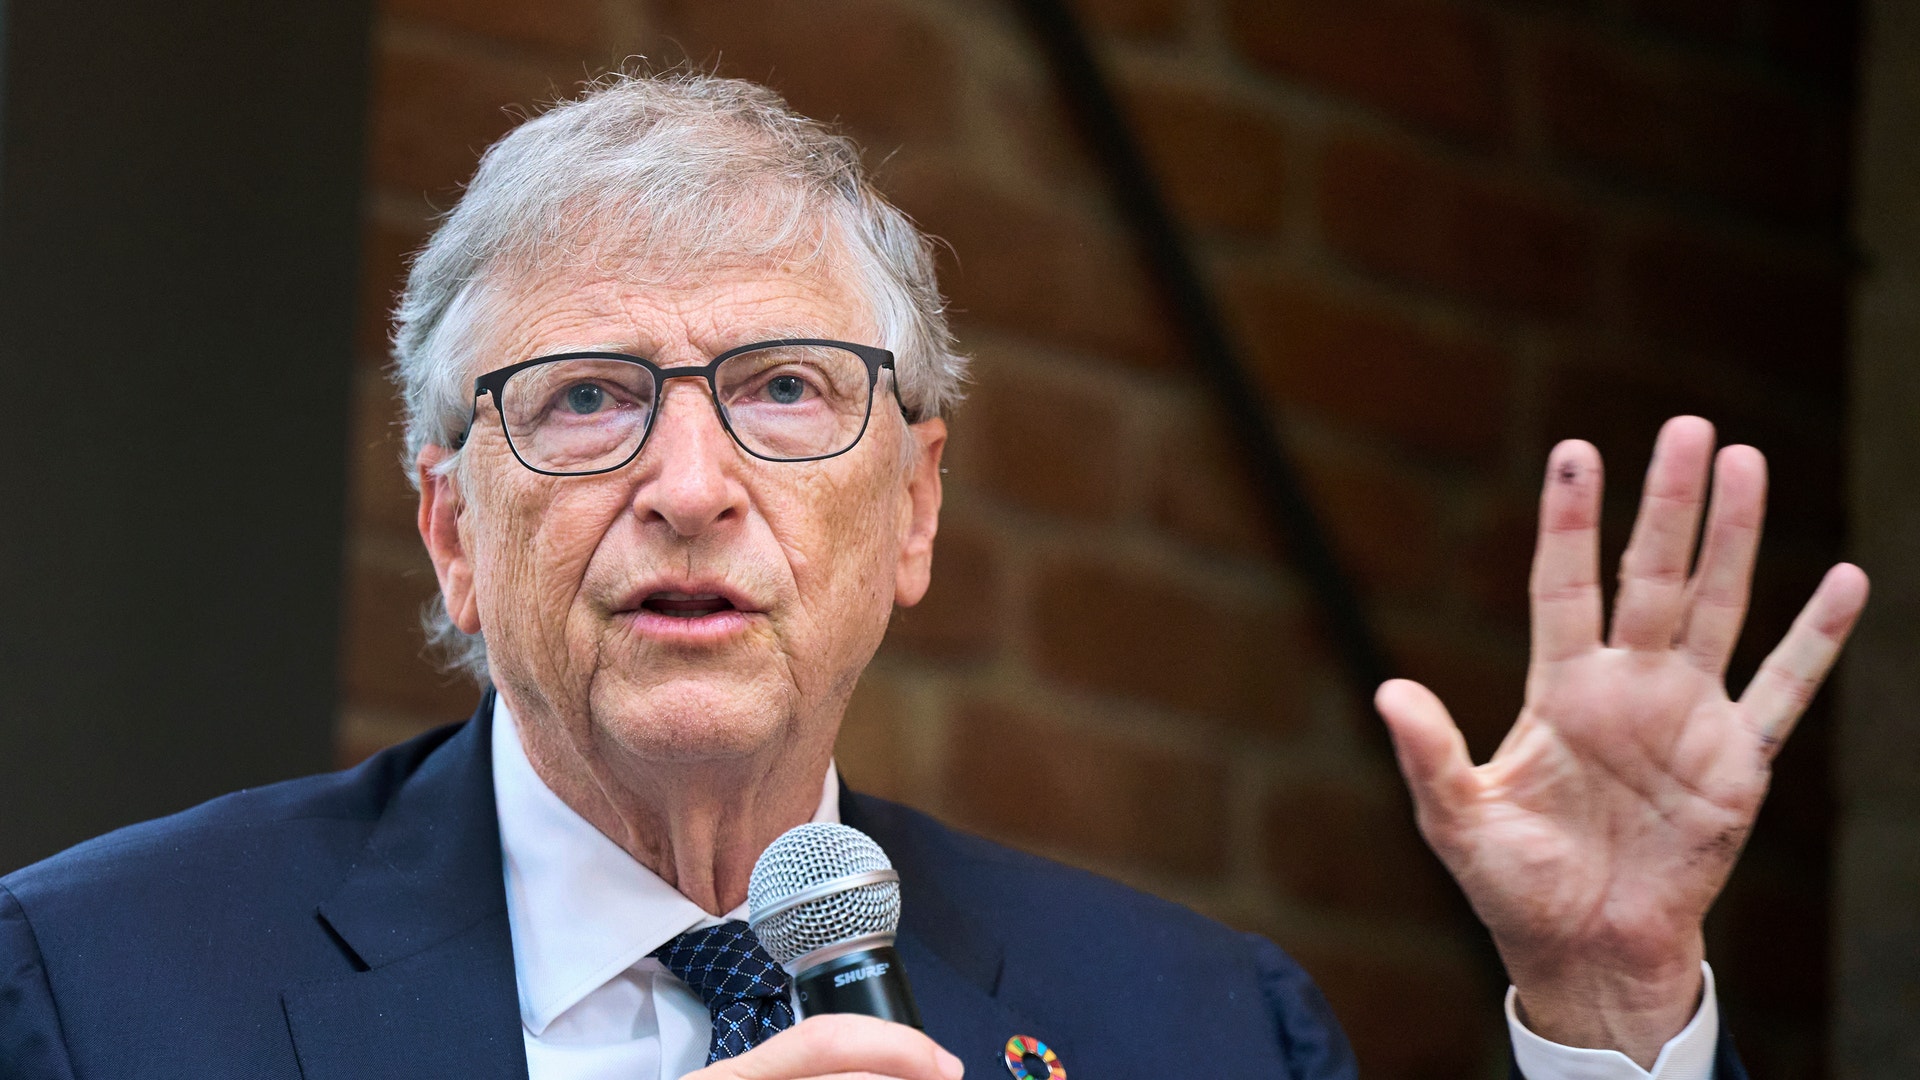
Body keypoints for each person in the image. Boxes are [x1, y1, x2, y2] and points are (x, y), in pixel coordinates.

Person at [0, 73, 1868, 1080]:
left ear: (912, 513)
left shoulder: (1196, 1031)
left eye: (783, 392)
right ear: (449, 535)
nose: (688, 487)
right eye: (582, 400)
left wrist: (1610, 1013)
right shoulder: (102, 992)